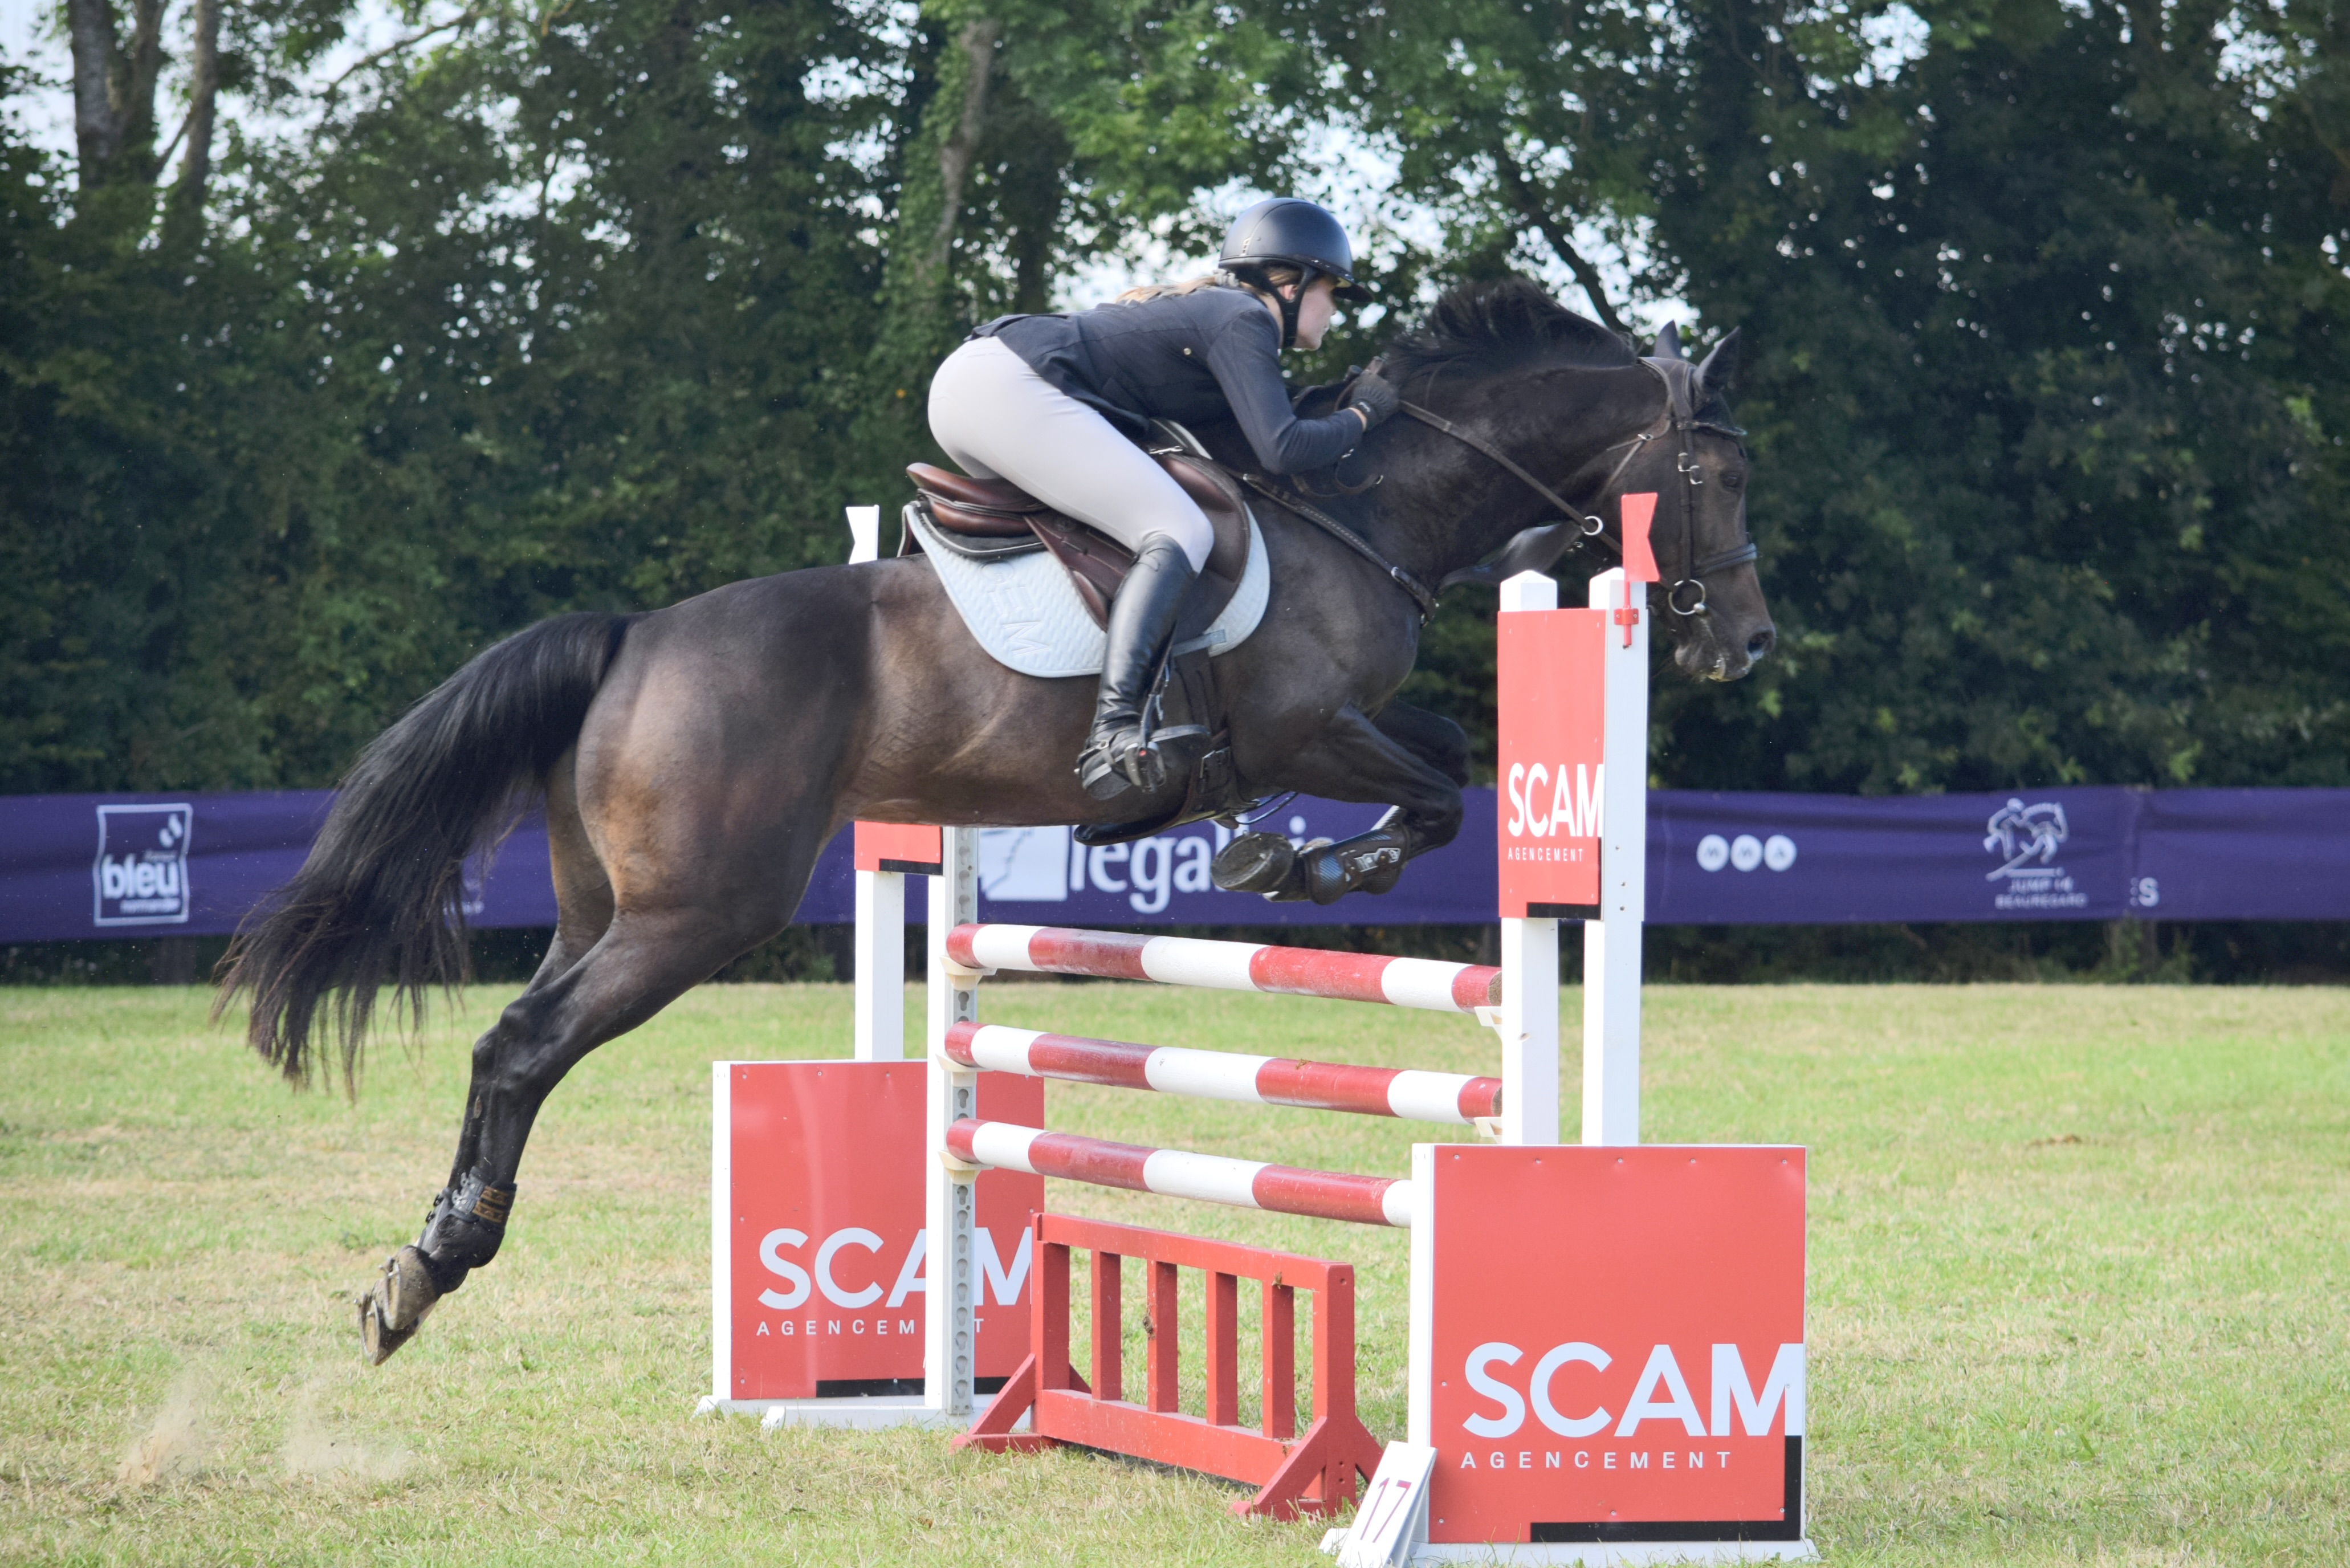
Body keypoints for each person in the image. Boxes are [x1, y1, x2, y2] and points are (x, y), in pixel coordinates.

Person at [929, 197, 1402, 801]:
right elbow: (1282, 448)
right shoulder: (1243, 319)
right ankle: (1114, 727)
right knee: (1180, 529)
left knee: (1127, 529)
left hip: (980, 387)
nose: (1334, 311)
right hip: (1007, 388)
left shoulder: (1224, 319)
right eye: (1331, 293)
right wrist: (1363, 416)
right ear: (1292, 285)